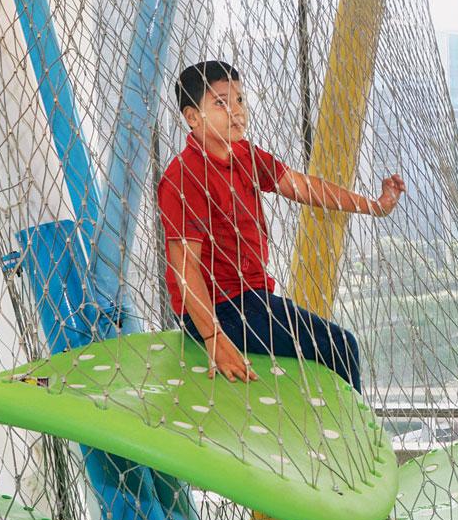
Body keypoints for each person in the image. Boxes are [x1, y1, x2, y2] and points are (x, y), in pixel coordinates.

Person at [158, 60, 404, 389]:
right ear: (192, 117)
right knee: (339, 346)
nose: (236, 111)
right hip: (218, 309)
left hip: (252, 297)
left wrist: (374, 205)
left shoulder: (245, 155)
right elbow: (185, 267)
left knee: (323, 353)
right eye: (221, 102)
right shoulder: (183, 177)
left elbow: (302, 186)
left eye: (240, 100)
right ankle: (355, 438)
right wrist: (214, 337)